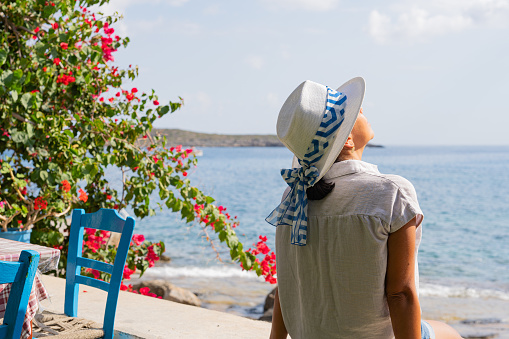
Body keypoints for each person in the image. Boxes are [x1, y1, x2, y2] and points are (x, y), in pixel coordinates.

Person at [266, 78, 463, 339]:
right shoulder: (390, 192)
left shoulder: (293, 196)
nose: (361, 111)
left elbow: (286, 283)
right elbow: (400, 293)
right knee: (449, 332)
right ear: (347, 139)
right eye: (353, 113)